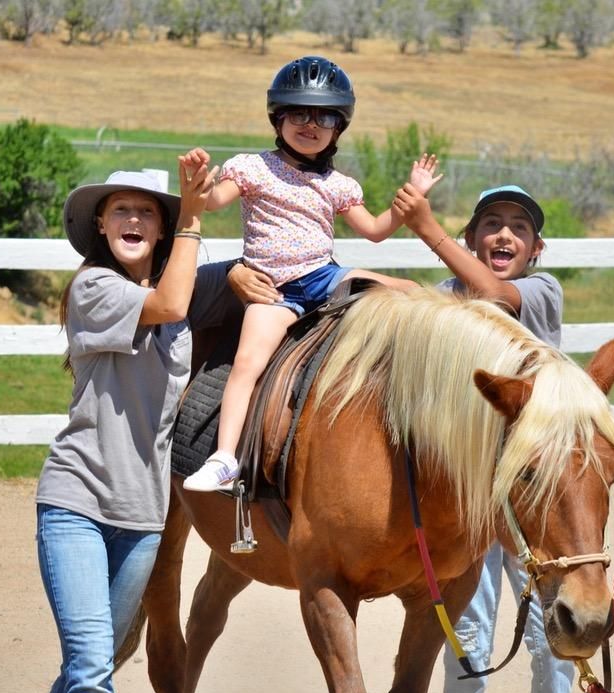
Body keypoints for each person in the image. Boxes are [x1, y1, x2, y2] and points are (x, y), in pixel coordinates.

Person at [9, 152, 236, 693]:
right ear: (101, 225)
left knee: (92, 666)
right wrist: (193, 212)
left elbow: (225, 289)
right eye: (121, 209)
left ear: (159, 233)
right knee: (91, 670)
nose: (134, 219)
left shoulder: (175, 314)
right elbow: (169, 300)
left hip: (141, 519)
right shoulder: (97, 292)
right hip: (76, 503)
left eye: (148, 212)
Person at [391, 179, 593, 693]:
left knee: (552, 646)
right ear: (476, 236)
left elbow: (497, 295)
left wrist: (426, 227)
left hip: (537, 507)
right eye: (491, 224)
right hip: (473, 513)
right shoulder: (444, 307)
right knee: (468, 646)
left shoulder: (539, 294)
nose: (504, 235)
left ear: (537, 249)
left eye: (518, 228)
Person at [182, 55, 438, 493]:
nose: (310, 124)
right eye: (299, 113)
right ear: (277, 118)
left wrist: (411, 197)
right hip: (273, 288)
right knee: (248, 362)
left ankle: (424, 415)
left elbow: (374, 230)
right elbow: (214, 202)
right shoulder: (252, 167)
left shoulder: (338, 185)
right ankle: (225, 458)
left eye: (324, 116)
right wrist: (199, 185)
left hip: (322, 276)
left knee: (412, 292)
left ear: (338, 128)